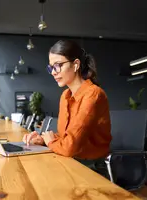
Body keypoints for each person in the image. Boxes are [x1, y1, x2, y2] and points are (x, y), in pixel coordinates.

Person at [23, 40, 112, 174]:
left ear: (76, 64)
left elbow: (70, 147)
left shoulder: (94, 94)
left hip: (92, 167)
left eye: (58, 65)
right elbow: (67, 137)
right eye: (51, 67)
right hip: (71, 160)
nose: (53, 72)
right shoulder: (65, 96)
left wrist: (50, 142)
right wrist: (42, 140)